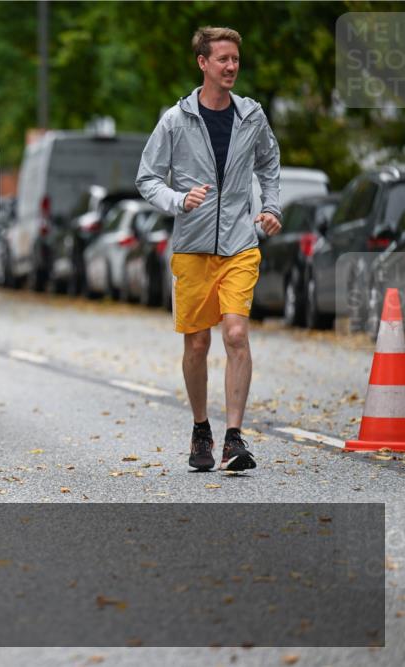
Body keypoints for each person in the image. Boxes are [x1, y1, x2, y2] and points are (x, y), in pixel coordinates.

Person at [136, 26, 282, 473]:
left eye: (235, 59)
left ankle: (234, 438)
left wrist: (271, 207)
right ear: (203, 63)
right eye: (222, 59)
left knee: (235, 334)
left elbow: (269, 163)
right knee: (197, 344)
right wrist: (179, 201)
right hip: (193, 247)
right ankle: (202, 427)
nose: (231, 66)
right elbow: (147, 178)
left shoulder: (252, 116)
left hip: (240, 243)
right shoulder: (175, 120)